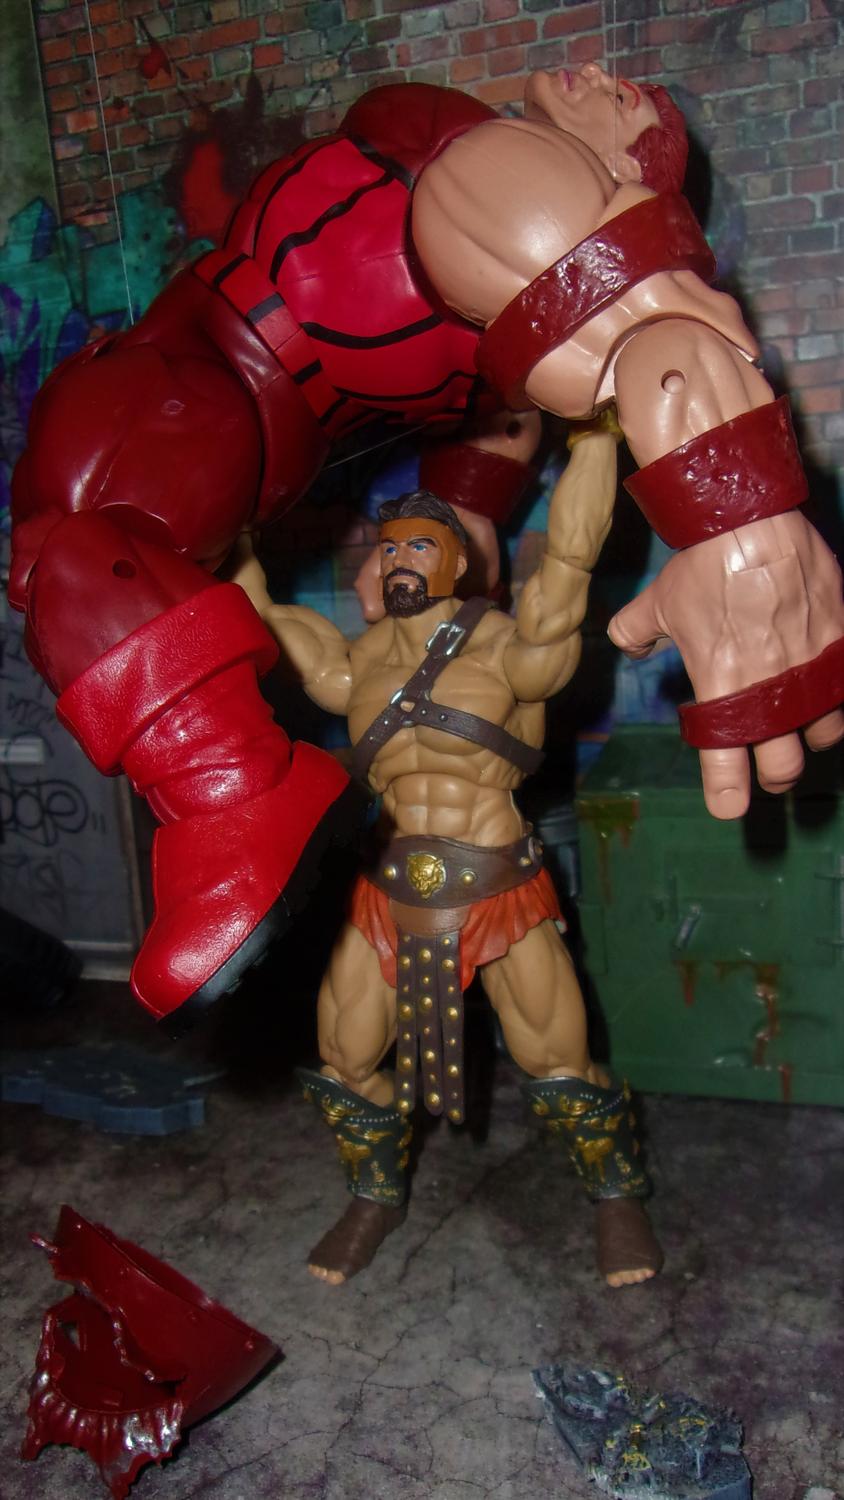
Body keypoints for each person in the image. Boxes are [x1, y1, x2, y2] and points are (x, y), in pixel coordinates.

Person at [9, 65, 843, 1031]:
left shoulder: (513, 201)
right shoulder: (466, 185)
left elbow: (640, 336)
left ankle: (231, 797)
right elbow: (564, 365)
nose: (608, 81)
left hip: (222, 423)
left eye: (638, 111)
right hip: (215, 404)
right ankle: (233, 796)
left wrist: (744, 531)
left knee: (69, 532)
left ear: (628, 171)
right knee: (68, 545)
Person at [233, 415, 662, 1289]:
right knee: (345, 1057)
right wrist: (228, 533)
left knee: (556, 1061)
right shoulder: (357, 664)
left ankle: (616, 1195)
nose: (399, 559)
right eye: (389, 546)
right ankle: (373, 1197)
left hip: (496, 885)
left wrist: (596, 440)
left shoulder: (508, 647)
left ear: (457, 561)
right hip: (389, 888)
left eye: (420, 546)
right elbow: (263, 614)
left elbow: (570, 563)